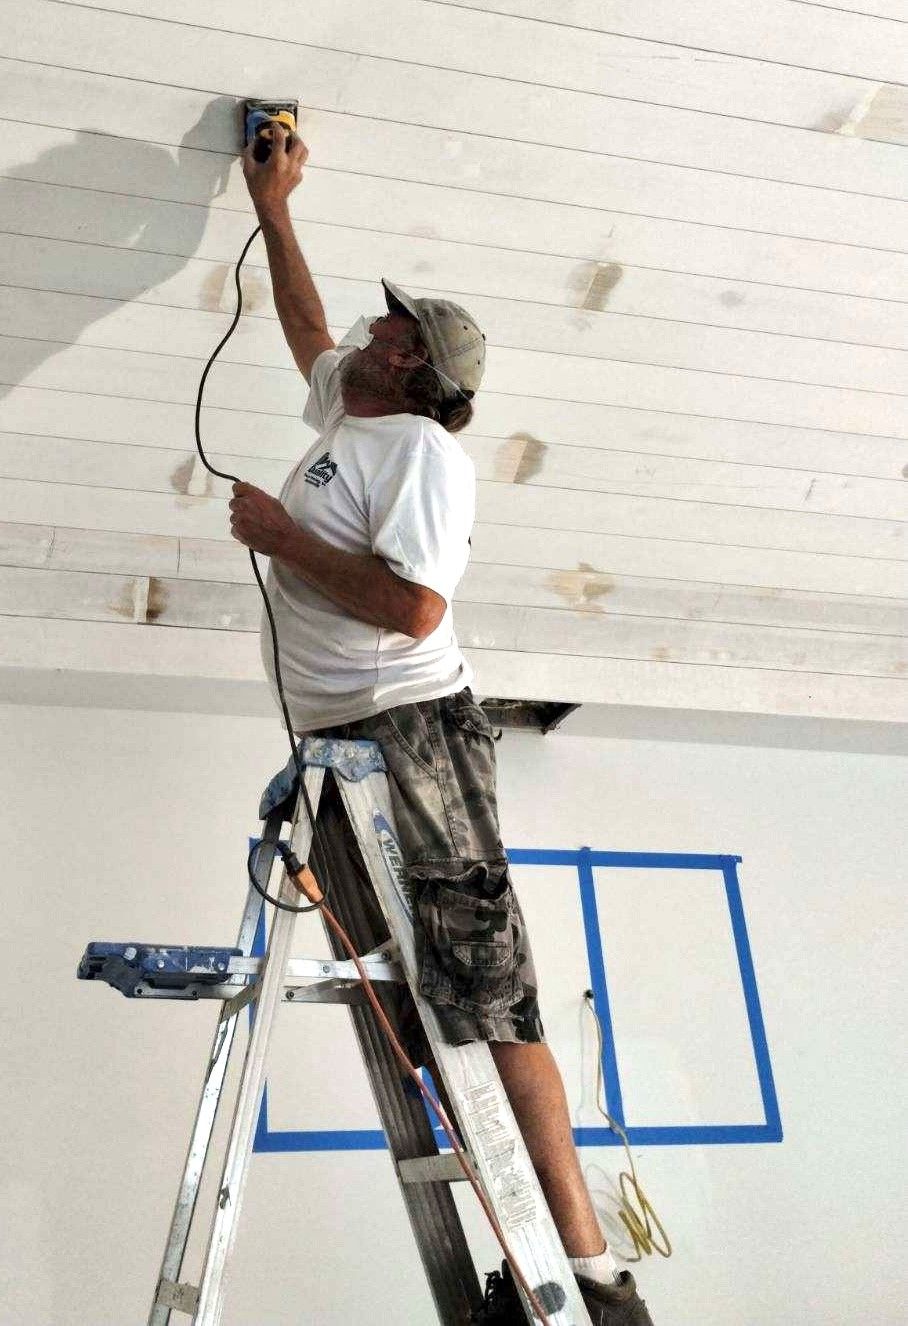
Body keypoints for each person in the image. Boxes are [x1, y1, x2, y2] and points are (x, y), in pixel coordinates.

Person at [233, 121, 653, 1326]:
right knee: (431, 1002)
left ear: (416, 368)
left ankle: (590, 1276)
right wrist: (273, 208)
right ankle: (532, 1258)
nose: (368, 331)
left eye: (392, 329)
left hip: (410, 730)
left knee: (485, 991)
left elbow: (416, 609)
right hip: (347, 746)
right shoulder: (349, 417)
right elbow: (306, 327)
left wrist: (283, 541)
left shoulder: (419, 451)